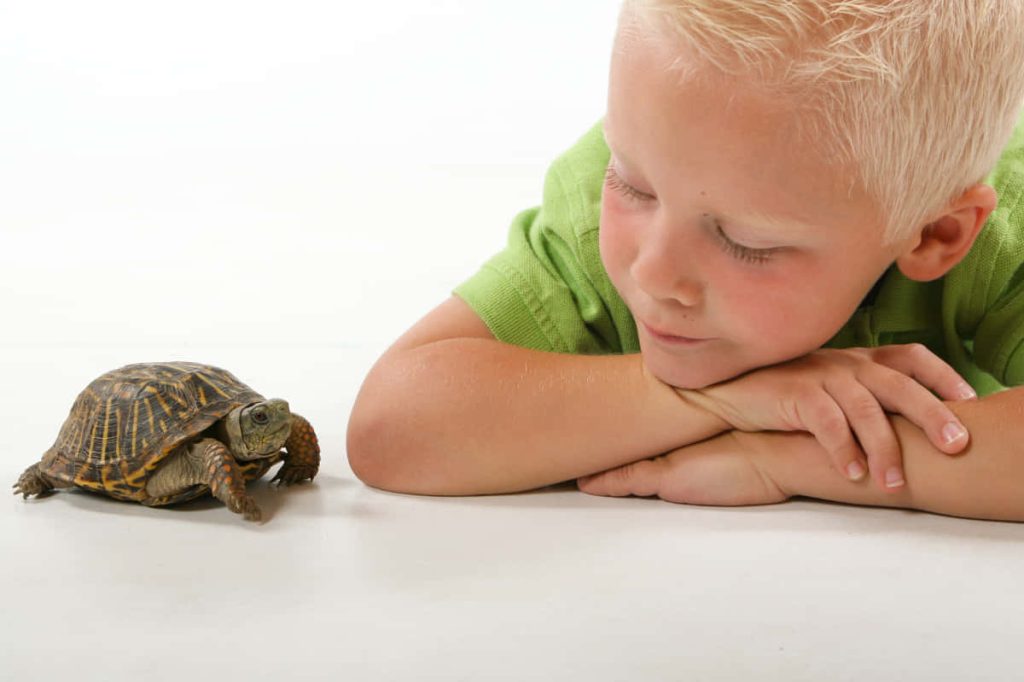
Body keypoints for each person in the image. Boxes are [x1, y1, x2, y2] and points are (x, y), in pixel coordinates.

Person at [347, 0, 1024, 521]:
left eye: (747, 242)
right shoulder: (621, 189)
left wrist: (789, 456)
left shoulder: (998, 233)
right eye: (633, 184)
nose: (652, 274)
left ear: (936, 234)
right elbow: (393, 426)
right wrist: (722, 398)